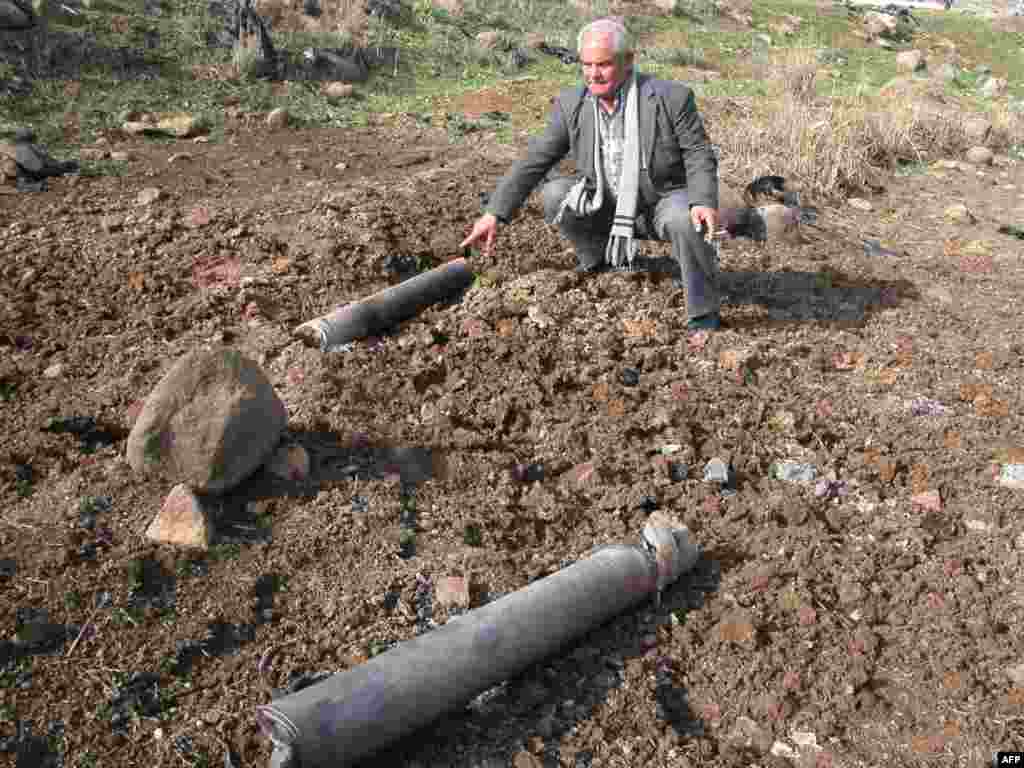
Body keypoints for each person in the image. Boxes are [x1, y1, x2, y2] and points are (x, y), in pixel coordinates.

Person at [460, 17, 723, 330]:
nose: (593, 74)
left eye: (603, 64)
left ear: (628, 61)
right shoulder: (572, 103)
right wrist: (494, 212)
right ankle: (599, 260)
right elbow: (536, 159)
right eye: (586, 64)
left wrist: (703, 201)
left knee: (687, 219)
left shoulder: (671, 97)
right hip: (606, 203)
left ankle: (704, 315)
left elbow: (698, 153)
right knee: (556, 194)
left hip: (660, 203)